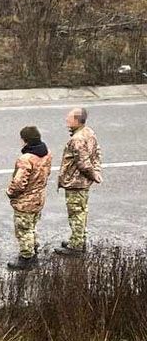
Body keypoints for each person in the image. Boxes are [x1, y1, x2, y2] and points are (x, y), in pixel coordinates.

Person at [56, 107, 102, 256]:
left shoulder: (77, 139)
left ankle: (76, 246)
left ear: (77, 120)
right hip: (82, 182)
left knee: (76, 213)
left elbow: (83, 163)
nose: (66, 119)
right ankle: (78, 238)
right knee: (81, 211)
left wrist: (93, 174)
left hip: (75, 183)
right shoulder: (89, 132)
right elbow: (97, 153)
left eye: (69, 118)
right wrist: (97, 171)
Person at [6, 126, 52, 270]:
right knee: (32, 226)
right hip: (39, 197)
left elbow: (19, 183)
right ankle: (33, 249)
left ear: (25, 140)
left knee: (23, 229)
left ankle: (26, 258)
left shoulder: (26, 159)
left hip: (25, 201)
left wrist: (10, 192)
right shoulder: (47, 153)